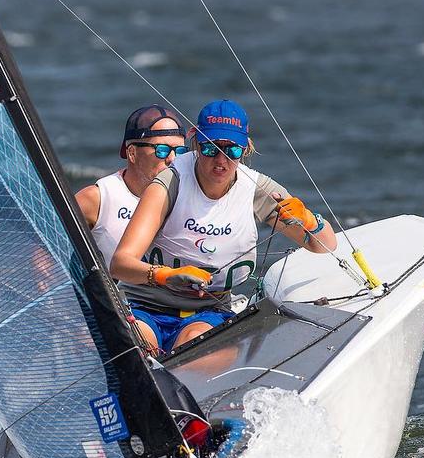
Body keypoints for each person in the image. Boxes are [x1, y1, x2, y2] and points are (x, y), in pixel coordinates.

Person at [110, 99, 338, 354]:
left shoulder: (258, 190)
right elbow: (121, 263)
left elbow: (325, 245)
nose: (221, 160)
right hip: (145, 307)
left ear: (246, 149)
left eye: (232, 151)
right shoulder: (170, 182)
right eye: (210, 149)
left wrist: (307, 219)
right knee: (140, 345)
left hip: (207, 312)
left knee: (194, 343)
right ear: (195, 144)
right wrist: (165, 275)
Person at [75, 104, 187, 270]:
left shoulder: (190, 195)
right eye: (162, 150)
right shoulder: (97, 198)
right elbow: (44, 239)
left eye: (180, 151)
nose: (172, 159)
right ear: (132, 153)